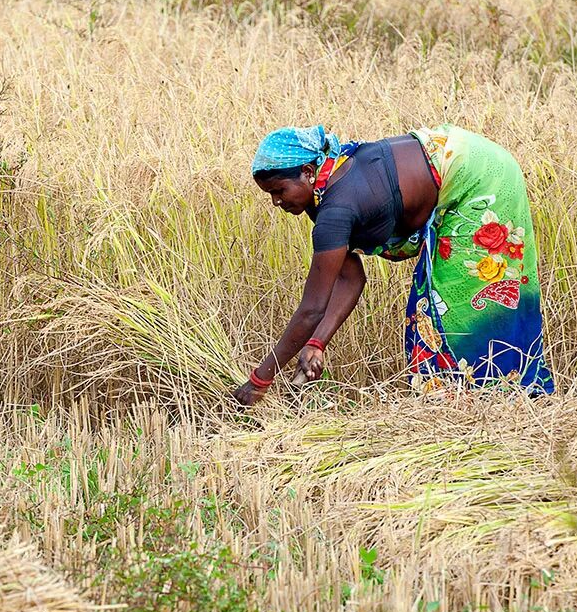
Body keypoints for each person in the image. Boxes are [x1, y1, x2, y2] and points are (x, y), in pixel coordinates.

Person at [231, 124, 554, 406]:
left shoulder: (336, 209)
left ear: (307, 173)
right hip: (460, 154)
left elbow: (311, 309)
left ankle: (490, 400)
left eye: (279, 190)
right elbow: (350, 278)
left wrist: (260, 381)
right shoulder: (327, 188)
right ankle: (476, 399)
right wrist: (317, 343)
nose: (276, 201)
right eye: (269, 194)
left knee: (455, 302)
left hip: (479, 177)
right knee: (440, 303)